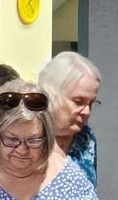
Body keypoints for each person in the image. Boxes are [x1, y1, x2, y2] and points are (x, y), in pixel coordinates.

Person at [37, 52, 102, 186]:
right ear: (52, 96)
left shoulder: (86, 138)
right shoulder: (26, 139)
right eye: (79, 101)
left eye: (91, 103)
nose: (87, 111)